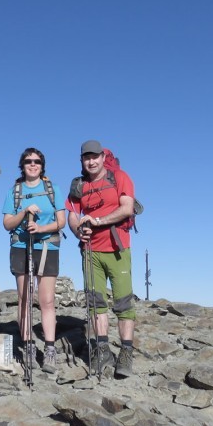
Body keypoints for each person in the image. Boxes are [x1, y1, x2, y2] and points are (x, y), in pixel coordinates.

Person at [65, 141, 137, 378]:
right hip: (90, 250)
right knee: (96, 303)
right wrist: (78, 231)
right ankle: (103, 349)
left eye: (95, 157)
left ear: (102, 156)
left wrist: (96, 222)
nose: (91, 162)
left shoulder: (119, 177)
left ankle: (126, 352)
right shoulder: (79, 185)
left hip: (117, 248)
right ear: (81, 160)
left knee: (123, 302)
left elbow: (127, 209)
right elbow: (73, 216)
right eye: (86, 158)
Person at [2, 147, 66, 373]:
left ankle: (49, 349)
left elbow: (61, 221)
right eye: (28, 161)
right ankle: (28, 345)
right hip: (21, 246)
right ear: (22, 165)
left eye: (37, 161)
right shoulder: (15, 191)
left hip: (47, 246)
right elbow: (7, 223)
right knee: (24, 298)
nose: (32, 164)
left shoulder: (52, 189)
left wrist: (40, 228)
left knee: (47, 300)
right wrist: (24, 212)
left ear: (42, 165)